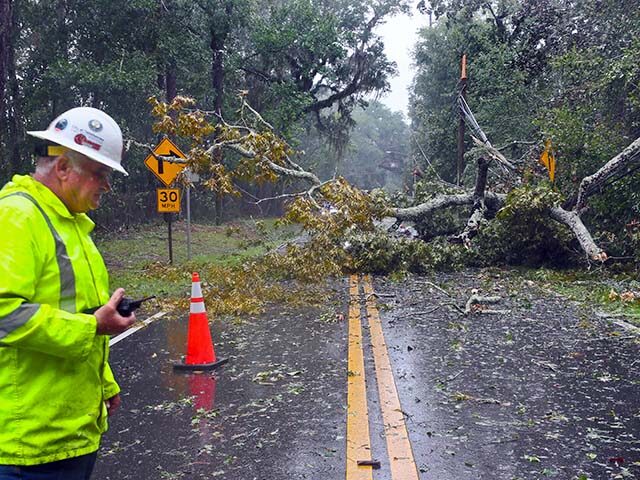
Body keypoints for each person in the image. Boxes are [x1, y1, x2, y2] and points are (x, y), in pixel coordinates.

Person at [0, 107, 136, 480]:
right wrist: (91, 327)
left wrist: (103, 382)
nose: (106, 186)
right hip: (29, 447)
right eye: (100, 174)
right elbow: (4, 315)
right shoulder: (17, 218)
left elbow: (77, 310)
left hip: (71, 433)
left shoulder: (71, 223)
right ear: (62, 168)